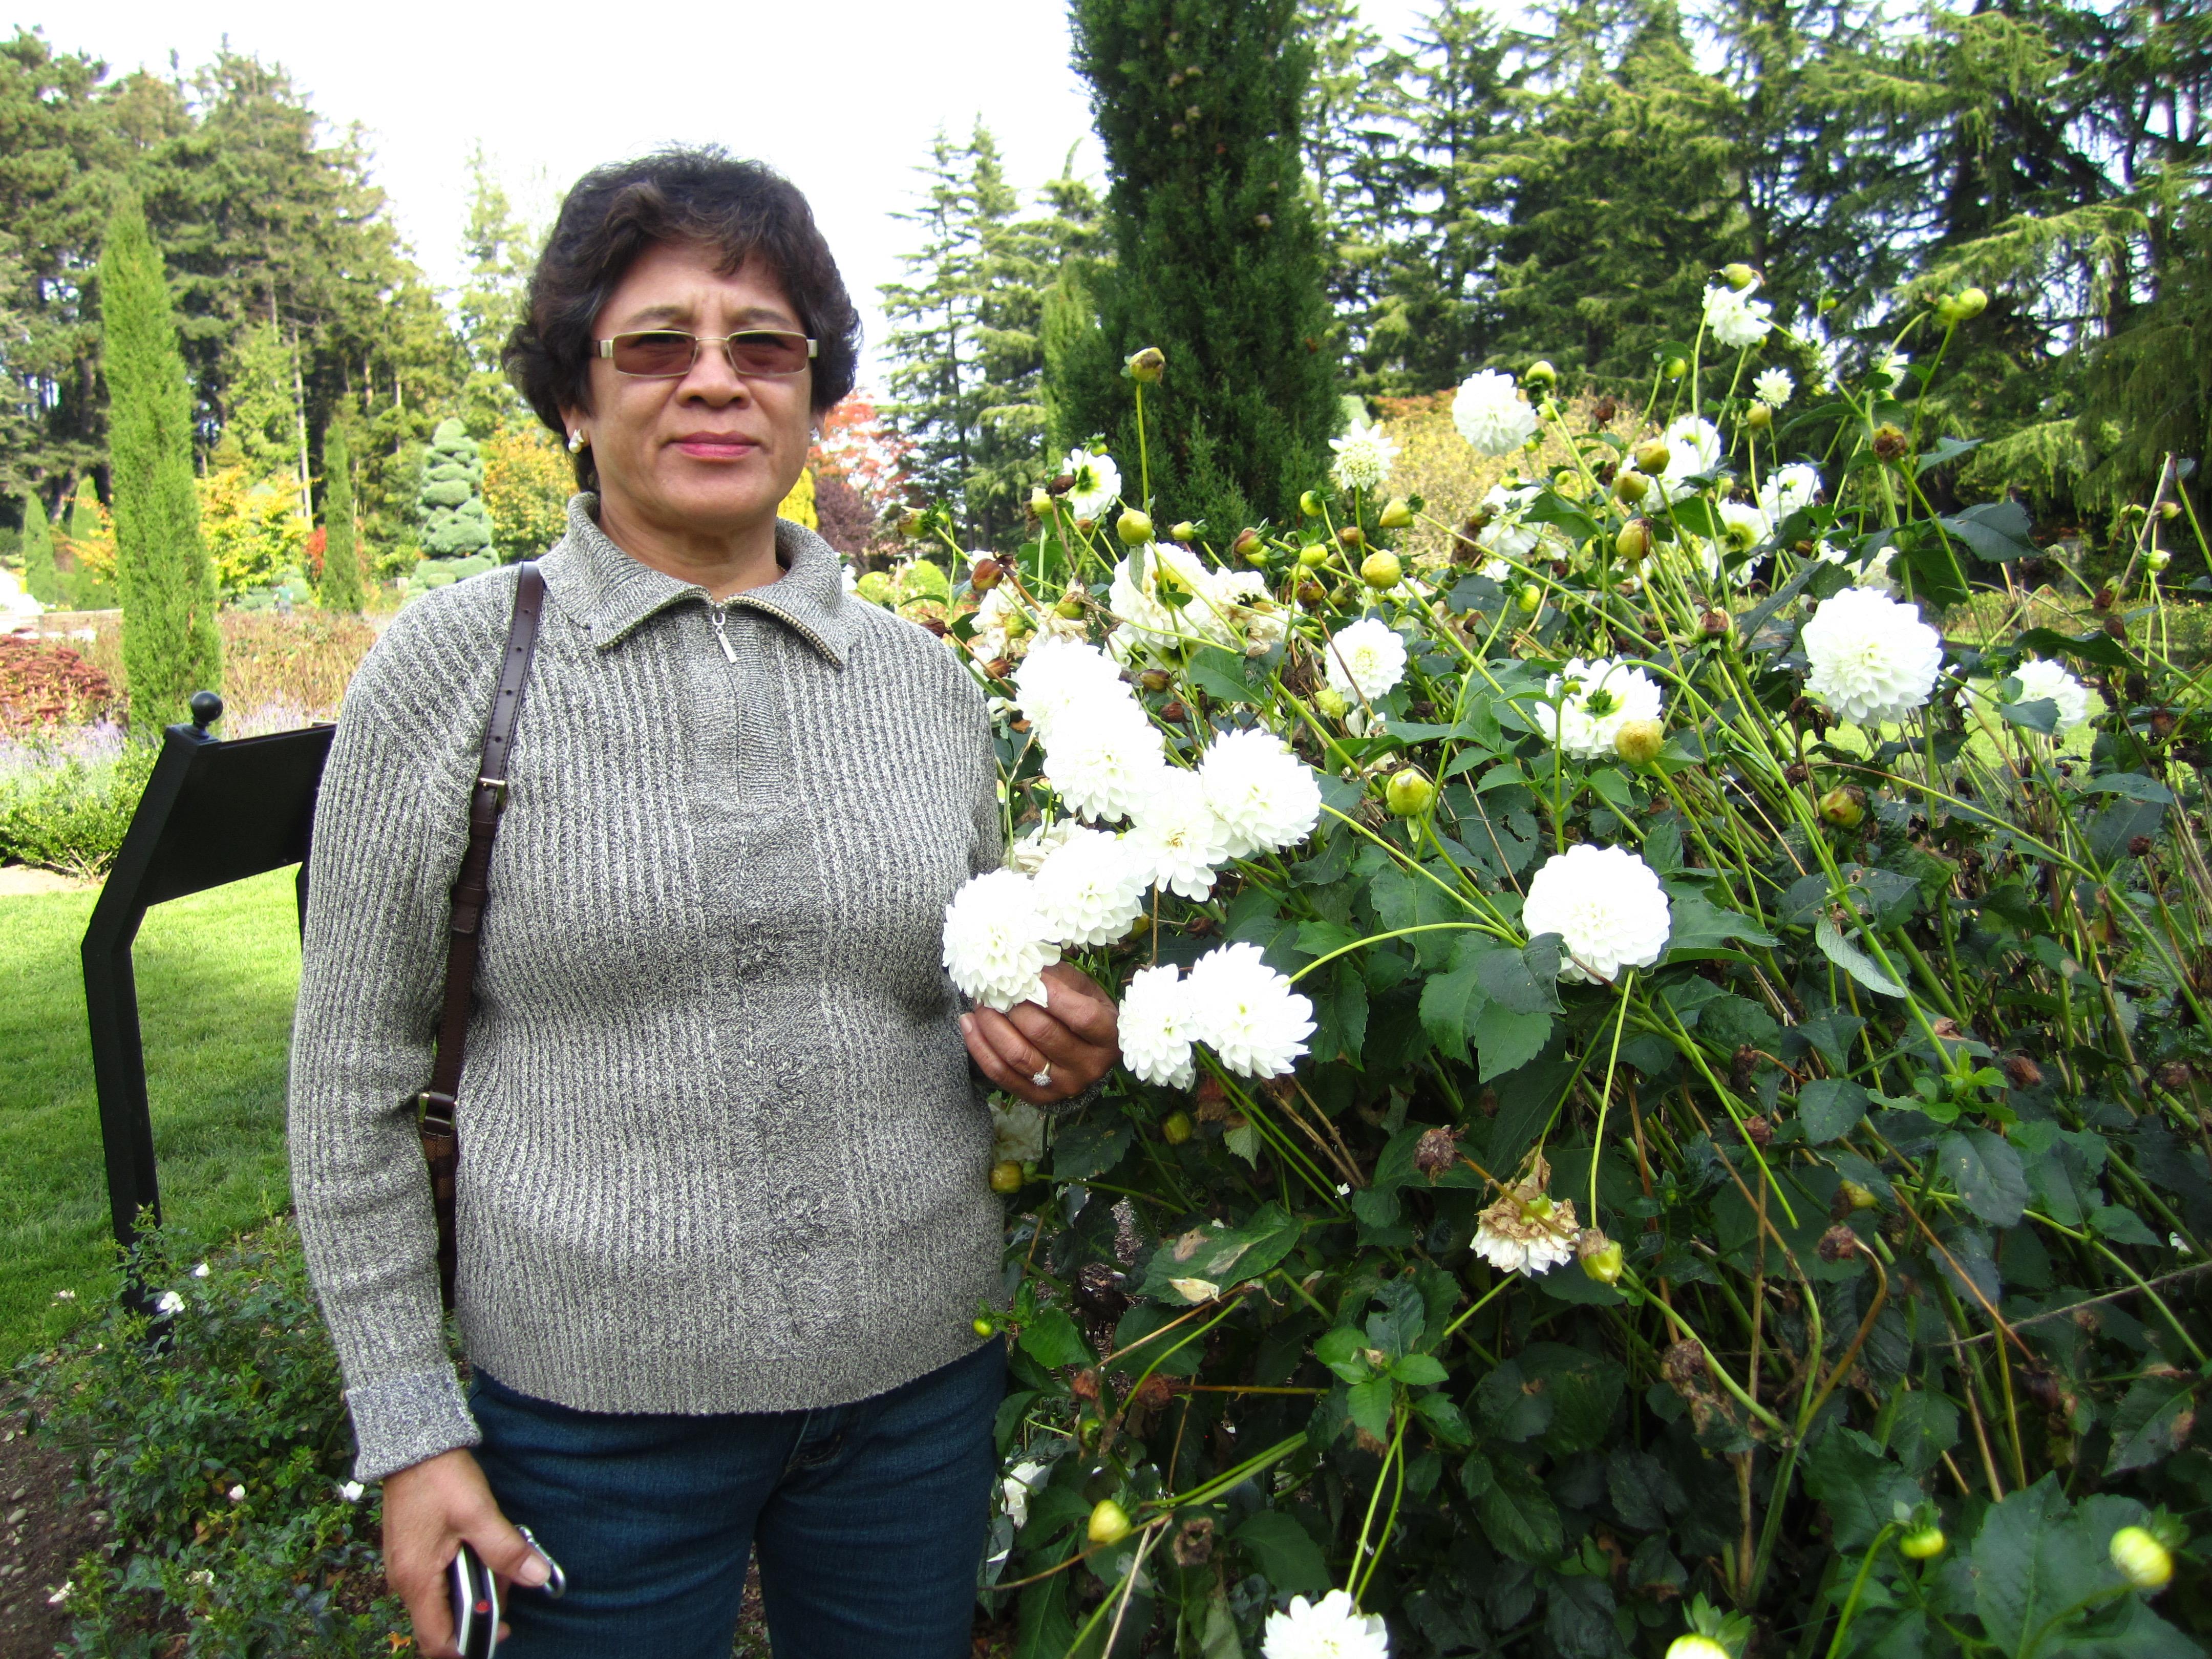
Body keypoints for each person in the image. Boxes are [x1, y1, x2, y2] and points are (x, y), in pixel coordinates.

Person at [287, 146, 1121, 1658]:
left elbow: (975, 996)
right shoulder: (449, 670)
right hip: (593, 1431)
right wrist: (412, 1427)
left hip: (921, 1398)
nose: (716, 382)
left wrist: (1057, 1043)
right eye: (657, 345)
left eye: (766, 347)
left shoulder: (926, 686)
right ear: (573, 398)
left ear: (813, 395)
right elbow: (350, 1083)